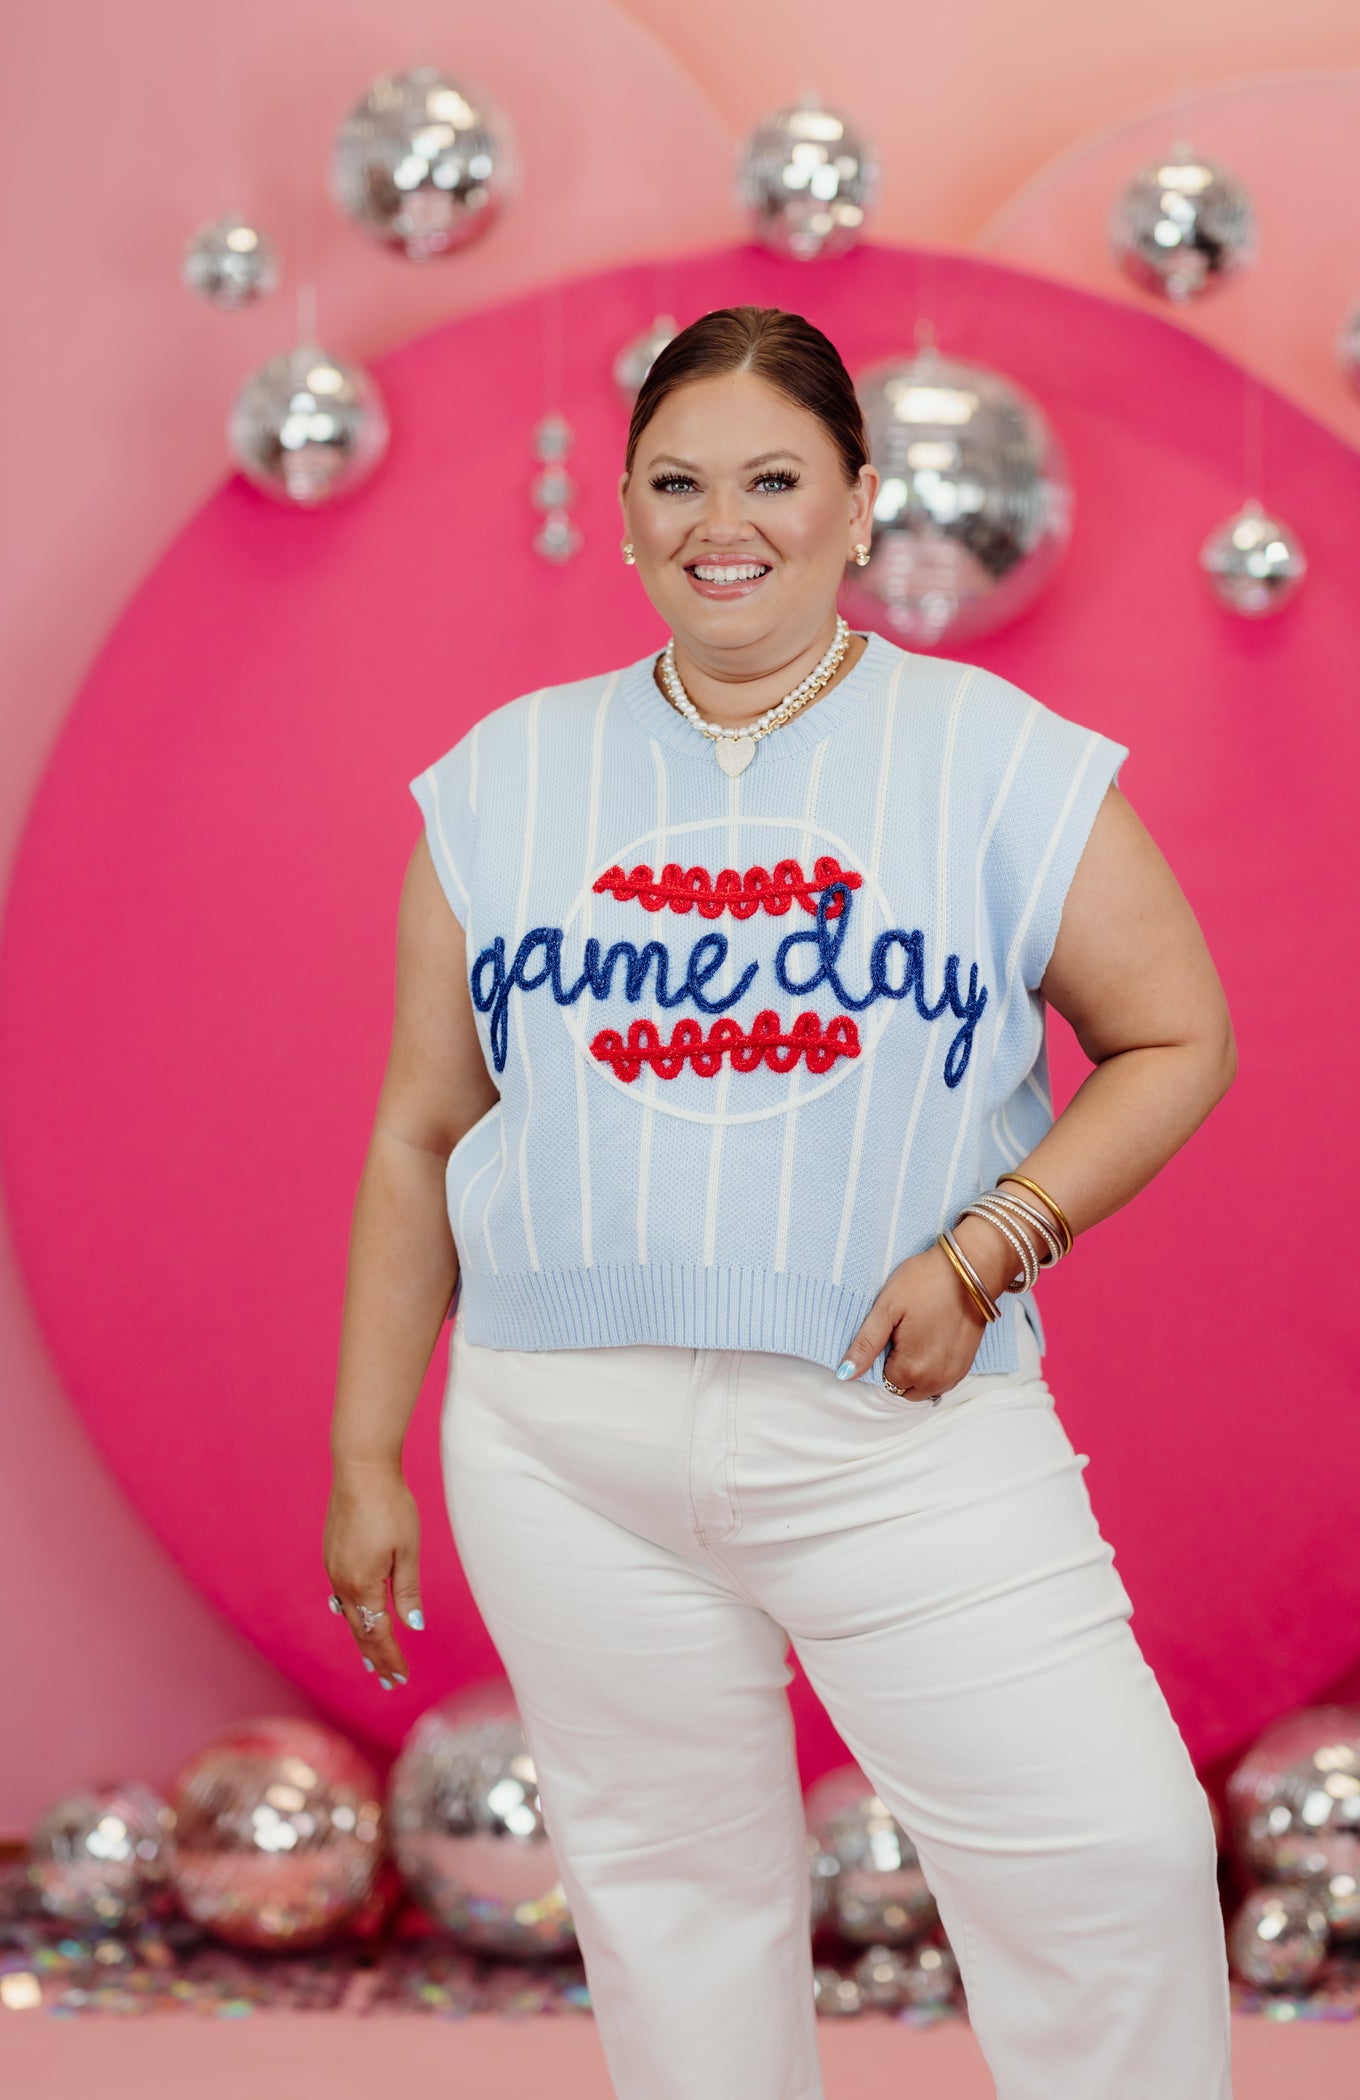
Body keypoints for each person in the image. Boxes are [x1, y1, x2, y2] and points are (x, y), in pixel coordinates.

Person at [322, 305, 1237, 2099]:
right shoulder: (501, 782)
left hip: (894, 1427)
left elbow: (1178, 1035)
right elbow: (425, 1129)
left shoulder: (995, 759)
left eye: (770, 479)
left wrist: (992, 1245)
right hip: (561, 1449)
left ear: (857, 504)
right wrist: (366, 1449)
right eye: (675, 481)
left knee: (1115, 1863)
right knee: (672, 1913)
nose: (716, 522)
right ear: (627, 506)